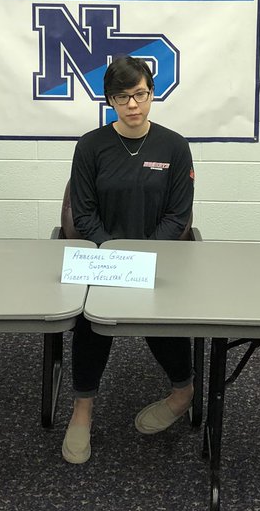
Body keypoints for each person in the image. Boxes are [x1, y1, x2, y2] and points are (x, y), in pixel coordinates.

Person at [62, 55, 196, 464]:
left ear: (152, 93)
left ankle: (183, 393)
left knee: (160, 319)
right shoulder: (91, 145)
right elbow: (83, 213)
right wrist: (113, 254)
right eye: (122, 97)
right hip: (103, 257)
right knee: (91, 322)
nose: (133, 105)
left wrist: (143, 257)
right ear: (110, 101)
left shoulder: (174, 145)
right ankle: (82, 409)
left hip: (158, 256)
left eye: (140, 94)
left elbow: (178, 215)